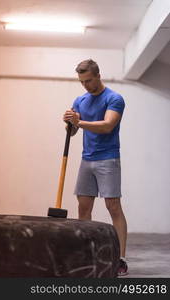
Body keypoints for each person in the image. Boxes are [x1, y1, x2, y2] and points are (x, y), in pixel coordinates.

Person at [63, 59, 128, 276]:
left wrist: (79, 122)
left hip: (108, 158)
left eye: (88, 80)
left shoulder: (114, 98)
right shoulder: (80, 100)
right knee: (83, 207)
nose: (85, 85)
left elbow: (108, 125)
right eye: (82, 82)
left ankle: (120, 259)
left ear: (98, 75)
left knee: (113, 206)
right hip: (86, 159)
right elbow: (72, 132)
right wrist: (70, 122)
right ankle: (87, 253)